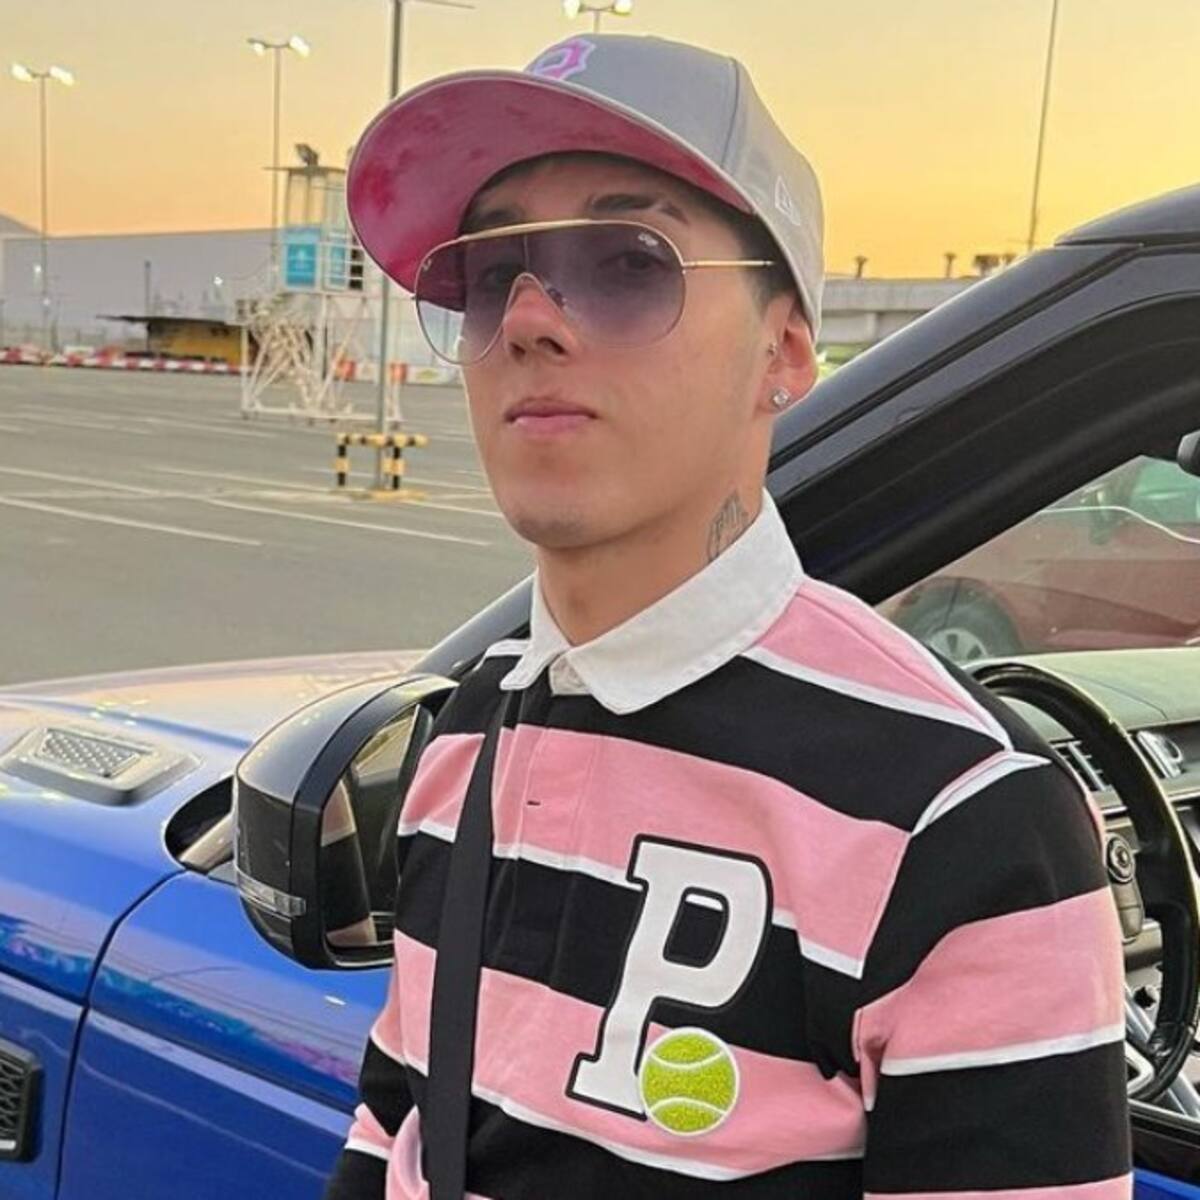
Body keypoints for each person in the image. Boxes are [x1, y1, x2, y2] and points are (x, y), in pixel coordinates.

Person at [326, 32, 1130, 1200]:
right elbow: (397, 1118)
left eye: (627, 263)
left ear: (783, 353)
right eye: (493, 275)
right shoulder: (469, 731)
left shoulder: (960, 818)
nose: (532, 320)